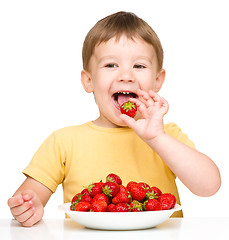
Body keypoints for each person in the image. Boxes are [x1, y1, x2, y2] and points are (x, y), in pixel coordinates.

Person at [7, 11, 221, 227]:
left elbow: (209, 186)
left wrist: (157, 138)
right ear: (88, 80)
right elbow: (30, 195)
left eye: (139, 66)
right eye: (111, 65)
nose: (126, 75)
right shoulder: (64, 141)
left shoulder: (167, 135)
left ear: (157, 80)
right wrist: (28, 205)